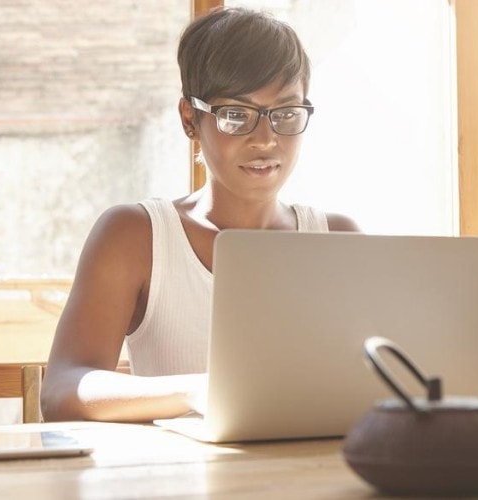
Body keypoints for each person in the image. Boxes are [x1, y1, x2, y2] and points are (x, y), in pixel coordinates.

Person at [40, 7, 359, 422]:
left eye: (284, 113)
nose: (265, 140)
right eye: (237, 115)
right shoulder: (135, 236)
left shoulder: (337, 239)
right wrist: (201, 390)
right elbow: (63, 389)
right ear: (190, 119)